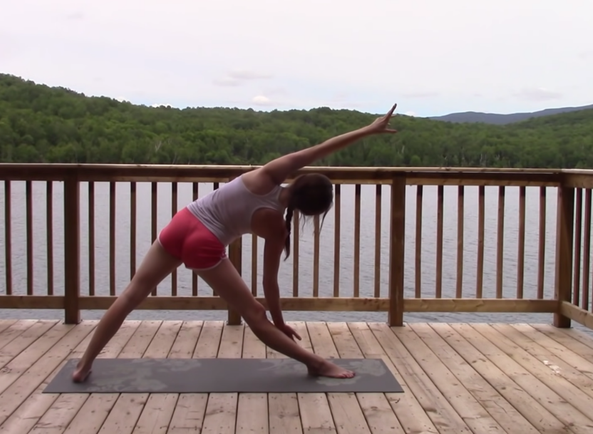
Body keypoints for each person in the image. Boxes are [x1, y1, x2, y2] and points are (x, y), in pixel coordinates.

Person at [72, 103, 398, 382]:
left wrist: (366, 130)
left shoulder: (269, 174)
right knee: (254, 314)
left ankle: (84, 364)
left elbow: (321, 148)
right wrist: (279, 323)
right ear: (310, 212)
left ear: (299, 181)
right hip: (205, 244)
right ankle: (317, 363)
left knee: (131, 294)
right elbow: (269, 283)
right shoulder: (276, 228)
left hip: (181, 222)